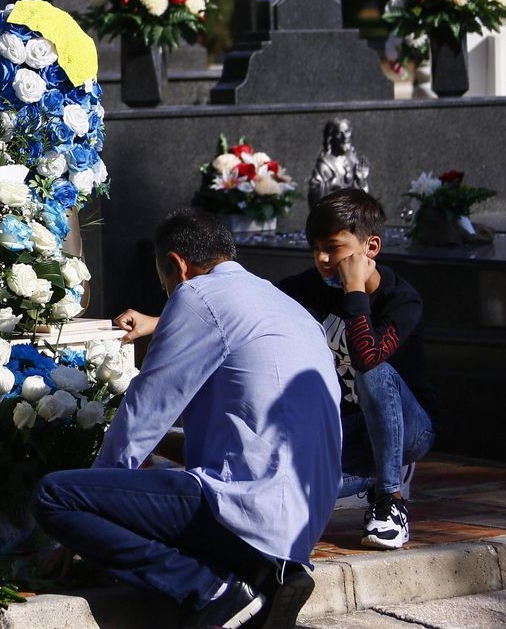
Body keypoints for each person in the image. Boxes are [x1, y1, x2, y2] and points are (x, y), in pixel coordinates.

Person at [33, 209, 341, 629]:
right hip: (301, 525)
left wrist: (81, 526)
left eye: (164, 285)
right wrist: (159, 447)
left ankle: (212, 590)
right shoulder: (285, 306)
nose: (167, 293)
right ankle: (258, 578)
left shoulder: (197, 296)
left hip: (246, 510)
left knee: (56, 496)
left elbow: (143, 414)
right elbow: (242, 436)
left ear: (177, 265)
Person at [278, 189, 433, 549]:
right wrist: (157, 322)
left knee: (374, 368)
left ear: (371, 247)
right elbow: (245, 308)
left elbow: (367, 357)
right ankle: (375, 479)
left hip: (410, 429)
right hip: (346, 432)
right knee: (285, 482)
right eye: (316, 248)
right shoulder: (308, 287)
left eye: (333, 247)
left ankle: (390, 502)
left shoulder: (401, 299)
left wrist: (353, 288)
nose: (322, 259)